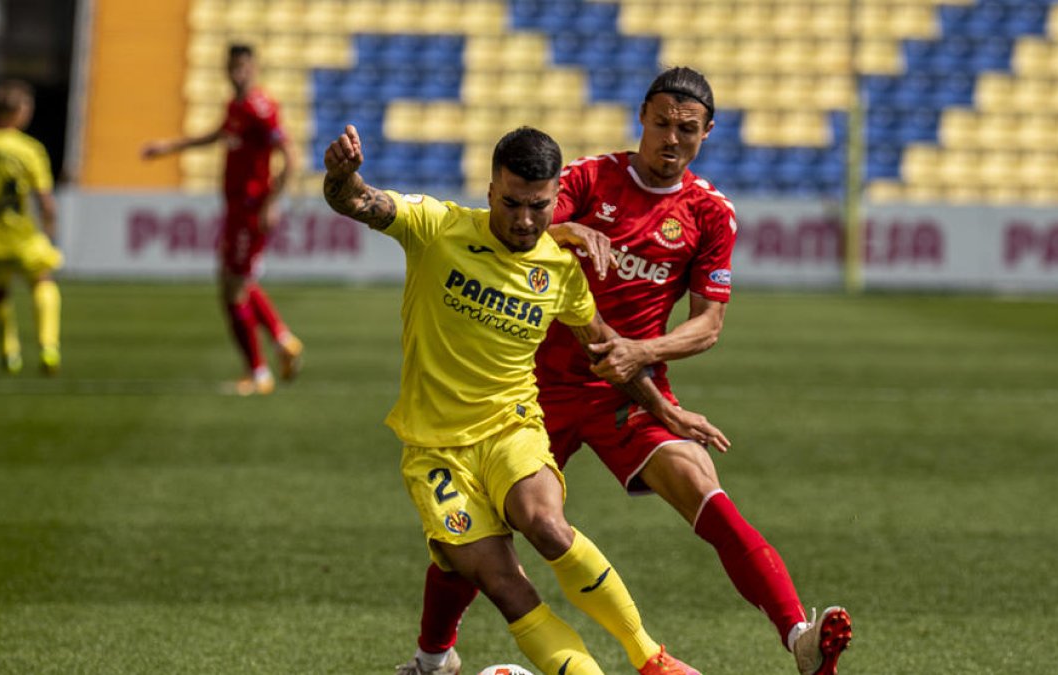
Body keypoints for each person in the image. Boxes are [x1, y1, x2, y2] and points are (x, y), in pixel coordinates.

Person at [406, 67, 853, 675]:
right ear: (642, 117)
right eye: (663, 123)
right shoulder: (591, 177)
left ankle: (798, 635)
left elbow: (709, 324)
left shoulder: (710, 214)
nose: (672, 139)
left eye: (688, 130)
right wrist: (568, 226)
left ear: (708, 133)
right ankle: (433, 656)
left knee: (703, 486)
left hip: (629, 389)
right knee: (479, 532)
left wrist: (643, 354)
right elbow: (524, 226)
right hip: (536, 388)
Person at [323, 124, 725, 675]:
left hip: (512, 429)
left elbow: (608, 353)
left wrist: (666, 410)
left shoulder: (561, 270)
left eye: (539, 206)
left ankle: (650, 658)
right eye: (511, 203)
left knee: (547, 525)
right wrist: (341, 177)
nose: (525, 220)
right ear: (490, 191)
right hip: (435, 453)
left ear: (556, 198)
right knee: (508, 586)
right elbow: (356, 201)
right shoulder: (437, 227)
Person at [141, 43, 302, 395]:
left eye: (243, 66)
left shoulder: (262, 108)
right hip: (236, 209)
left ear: (255, 68)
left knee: (233, 288)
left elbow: (290, 156)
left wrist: (271, 203)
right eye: (232, 67)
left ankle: (259, 374)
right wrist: (168, 147)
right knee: (233, 280)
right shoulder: (236, 107)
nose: (237, 72)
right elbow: (216, 136)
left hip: (250, 208)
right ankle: (281, 340)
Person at [0, 79, 63, 375]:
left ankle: (9, 354)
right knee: (43, 281)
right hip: (21, 234)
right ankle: (48, 347)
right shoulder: (29, 149)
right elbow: (45, 200)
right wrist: (50, 231)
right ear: (20, 110)